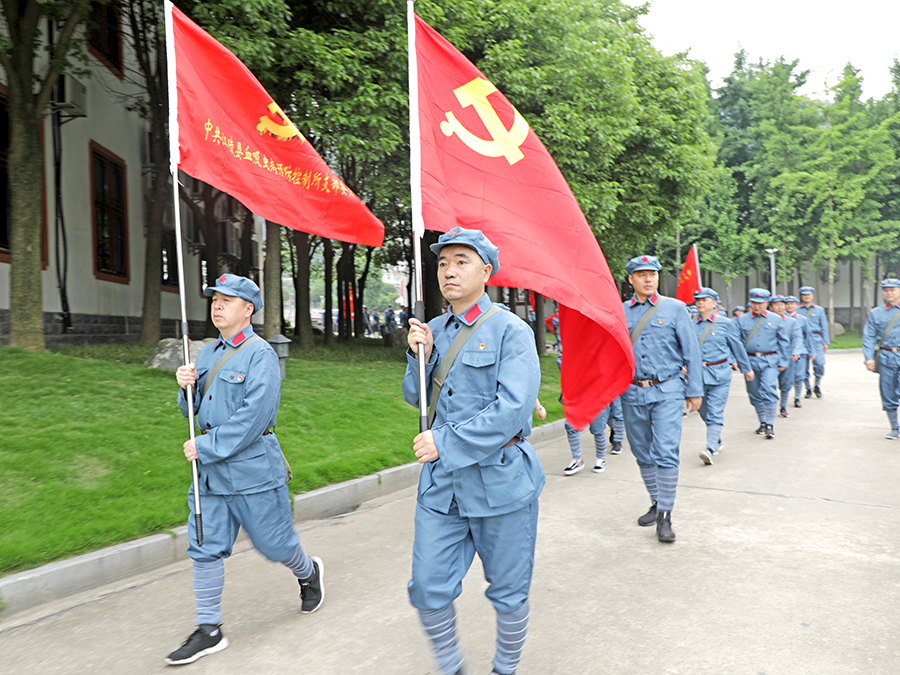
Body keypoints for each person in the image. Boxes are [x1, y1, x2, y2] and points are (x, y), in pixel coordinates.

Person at [403, 227, 543, 675]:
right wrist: (416, 356)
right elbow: (415, 397)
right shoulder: (434, 330)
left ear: (487, 270)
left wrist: (445, 441)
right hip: (443, 487)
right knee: (427, 586)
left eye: (461, 261)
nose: (449, 270)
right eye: (443, 263)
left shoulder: (511, 330)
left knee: (508, 589)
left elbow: (512, 408)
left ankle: (505, 667)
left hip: (501, 481)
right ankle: (451, 666)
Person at [167, 274, 323, 666]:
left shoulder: (261, 355)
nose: (217, 306)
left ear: (248, 309)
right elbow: (194, 413)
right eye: (215, 299)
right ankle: (209, 630)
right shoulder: (206, 354)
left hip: (253, 470)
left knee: (275, 545)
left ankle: (308, 572)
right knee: (204, 546)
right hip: (210, 474)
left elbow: (255, 417)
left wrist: (205, 445)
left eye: (228, 300)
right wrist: (185, 389)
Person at [620, 255, 702, 543]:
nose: (647, 279)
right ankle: (656, 501)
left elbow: (691, 351)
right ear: (631, 279)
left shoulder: (675, 308)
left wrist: (694, 390)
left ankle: (666, 515)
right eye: (641, 274)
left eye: (652, 274)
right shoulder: (620, 312)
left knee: (665, 451)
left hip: (667, 389)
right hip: (631, 391)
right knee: (642, 452)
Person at [689, 288, 753, 465]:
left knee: (715, 411)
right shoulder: (689, 324)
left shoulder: (725, 323)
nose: (700, 303)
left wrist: (746, 369)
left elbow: (737, 347)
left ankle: (709, 448)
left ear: (714, 303)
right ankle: (716, 439)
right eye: (698, 300)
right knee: (702, 410)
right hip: (697, 375)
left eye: (705, 299)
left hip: (720, 374)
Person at [734, 288, 791, 439]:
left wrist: (784, 360)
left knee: (769, 388)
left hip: (770, 361)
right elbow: (736, 342)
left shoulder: (777, 319)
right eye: (753, 303)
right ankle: (763, 421)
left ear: (767, 303)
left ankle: (770, 424)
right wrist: (736, 361)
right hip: (750, 361)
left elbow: (784, 342)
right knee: (754, 392)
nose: (756, 306)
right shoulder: (742, 320)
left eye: (760, 303)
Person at [862, 278, 900, 439]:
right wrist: (869, 358)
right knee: (888, 392)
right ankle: (895, 427)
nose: (889, 293)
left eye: (892, 289)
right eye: (886, 290)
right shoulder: (875, 312)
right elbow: (868, 336)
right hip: (886, 357)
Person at [768, 295, 803, 418]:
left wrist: (796, 351)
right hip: (769, 357)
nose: (779, 307)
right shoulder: (766, 320)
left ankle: (783, 406)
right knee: (768, 383)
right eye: (776, 304)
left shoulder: (791, 321)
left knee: (786, 383)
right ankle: (768, 407)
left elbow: (797, 338)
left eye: (782, 304)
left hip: (786, 356)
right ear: (770, 306)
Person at [796, 286, 830, 398]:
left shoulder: (819, 310)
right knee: (803, 366)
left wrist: (825, 341)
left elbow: (824, 326)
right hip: (802, 340)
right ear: (801, 296)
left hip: (816, 339)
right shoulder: (797, 309)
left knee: (819, 363)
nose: (806, 296)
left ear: (812, 296)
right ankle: (808, 388)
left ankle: (817, 385)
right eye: (804, 295)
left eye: (808, 294)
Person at [784, 296, 813, 408]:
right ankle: (784, 400)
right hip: (785, 351)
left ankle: (797, 398)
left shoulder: (802, 319)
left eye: (792, 303)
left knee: (799, 375)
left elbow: (808, 336)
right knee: (785, 377)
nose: (790, 306)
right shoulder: (779, 319)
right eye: (788, 304)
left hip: (800, 351)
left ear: (796, 306)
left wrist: (811, 351)